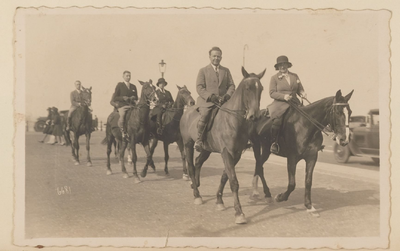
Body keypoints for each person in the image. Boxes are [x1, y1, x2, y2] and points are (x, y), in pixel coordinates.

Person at [195, 46, 235, 152]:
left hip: (223, 102)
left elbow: (231, 85)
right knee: (205, 115)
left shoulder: (226, 71)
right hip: (207, 102)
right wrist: (210, 96)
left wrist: (227, 95)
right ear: (209, 57)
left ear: (221, 57)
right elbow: (199, 87)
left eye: (218, 56)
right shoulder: (203, 71)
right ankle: (199, 140)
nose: (216, 58)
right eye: (214, 56)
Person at [267, 55, 307, 154]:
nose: (282, 67)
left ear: (287, 65)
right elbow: (272, 93)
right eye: (280, 65)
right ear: (278, 67)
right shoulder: (274, 78)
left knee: (307, 116)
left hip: (294, 102)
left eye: (284, 64)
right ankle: (274, 143)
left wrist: (302, 93)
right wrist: (284, 96)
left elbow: (300, 88)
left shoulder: (295, 76)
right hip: (280, 103)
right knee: (278, 120)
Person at [112, 71, 138, 140]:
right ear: (123, 76)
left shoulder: (133, 86)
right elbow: (115, 97)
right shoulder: (120, 85)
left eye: (129, 76)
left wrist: (134, 98)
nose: (128, 77)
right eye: (127, 76)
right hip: (123, 105)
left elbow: (136, 97)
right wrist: (123, 98)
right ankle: (123, 131)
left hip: (132, 106)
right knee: (122, 116)